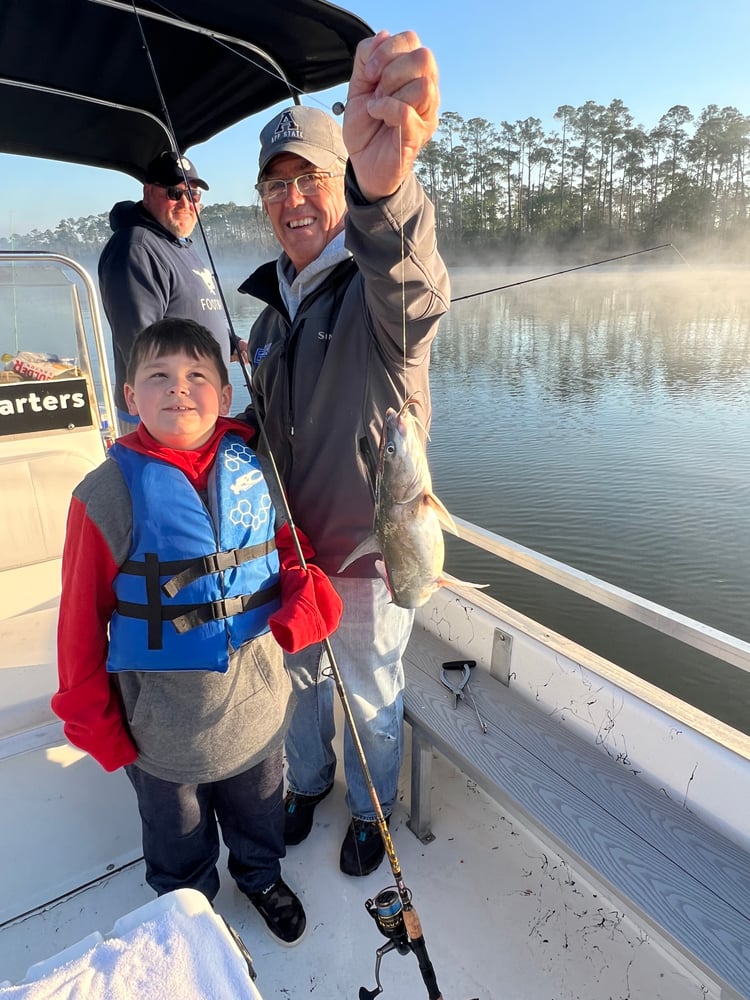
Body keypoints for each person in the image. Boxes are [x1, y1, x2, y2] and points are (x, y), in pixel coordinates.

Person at [51, 318, 342, 946]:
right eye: (158, 376)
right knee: (175, 836)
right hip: (161, 725)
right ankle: (190, 913)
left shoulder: (255, 466)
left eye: (197, 376)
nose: (178, 390)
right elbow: (78, 626)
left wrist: (306, 599)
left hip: (259, 706)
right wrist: (97, 725)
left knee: (261, 808)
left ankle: (261, 877)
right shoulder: (103, 496)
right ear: (130, 397)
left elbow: (291, 551)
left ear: (225, 393)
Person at [238, 30, 450, 877]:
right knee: (299, 684)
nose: (293, 200)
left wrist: (384, 186)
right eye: (277, 185)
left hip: (370, 555)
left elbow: (412, 282)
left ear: (340, 186)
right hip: (289, 556)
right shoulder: (263, 320)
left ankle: (374, 809)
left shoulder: (373, 293)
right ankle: (310, 782)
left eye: (311, 181)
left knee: (370, 691)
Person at [98, 151, 231, 431]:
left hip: (197, 408)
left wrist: (232, 343)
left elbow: (193, 309)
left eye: (193, 195)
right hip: (164, 416)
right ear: (148, 193)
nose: (186, 203)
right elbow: (141, 345)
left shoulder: (180, 244)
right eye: (174, 192)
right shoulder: (136, 248)